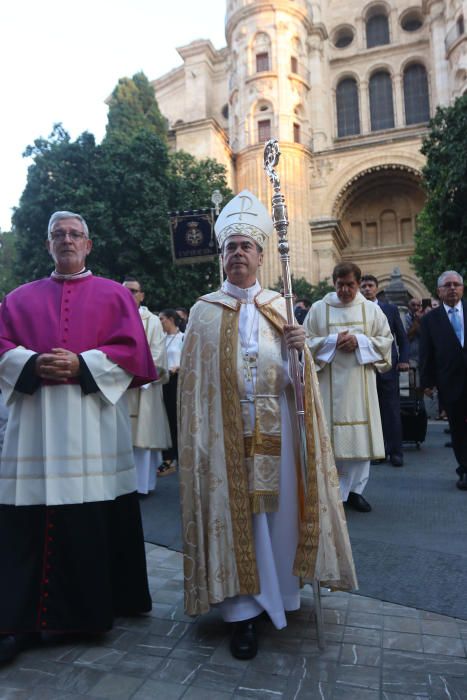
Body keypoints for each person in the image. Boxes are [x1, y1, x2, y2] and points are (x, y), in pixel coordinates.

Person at [178, 190, 357, 660]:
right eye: (230, 247)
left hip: (279, 433)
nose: (237, 254)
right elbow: (194, 390)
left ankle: (282, 595)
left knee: (276, 520)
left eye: (246, 247)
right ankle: (243, 615)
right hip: (225, 439)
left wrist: (298, 347)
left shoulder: (283, 306)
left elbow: (301, 389)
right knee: (240, 521)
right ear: (221, 257)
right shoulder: (203, 312)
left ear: (261, 255)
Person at [0, 211, 156, 664]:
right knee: (28, 520)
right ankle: (20, 620)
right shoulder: (18, 299)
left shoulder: (114, 295)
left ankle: (90, 613)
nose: (66, 241)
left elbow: (132, 352)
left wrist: (83, 364)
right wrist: (29, 363)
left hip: (93, 427)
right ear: (48, 244)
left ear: (89, 244)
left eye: (75, 234)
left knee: (91, 515)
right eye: (58, 235)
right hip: (35, 429)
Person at [304, 263, 393, 512]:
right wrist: (332, 341)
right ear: (334, 283)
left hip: (360, 387)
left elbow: (386, 342)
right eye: (340, 284)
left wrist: (360, 341)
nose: (345, 290)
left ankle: (355, 491)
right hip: (327, 388)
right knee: (329, 442)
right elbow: (305, 343)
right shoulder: (319, 309)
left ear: (358, 283)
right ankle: (333, 492)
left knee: (361, 443)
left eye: (350, 285)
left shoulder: (370, 310)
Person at [123, 278, 171, 495]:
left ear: (142, 295)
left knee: (142, 440)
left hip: (142, 387)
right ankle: (123, 485)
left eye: (133, 291)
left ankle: (142, 486)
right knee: (122, 439)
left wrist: (136, 376)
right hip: (118, 387)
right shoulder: (114, 316)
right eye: (125, 291)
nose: (129, 295)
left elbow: (157, 355)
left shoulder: (151, 320)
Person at [420, 271, 467, 490]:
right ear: (439, 291)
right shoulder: (430, 320)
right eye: (447, 285)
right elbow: (426, 352)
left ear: (462, 288)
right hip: (451, 382)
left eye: (456, 284)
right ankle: (464, 470)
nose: (452, 288)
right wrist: (427, 382)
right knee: (458, 429)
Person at [360, 274, 409, 467]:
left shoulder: (390, 309)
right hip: (365, 367)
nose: (366, 289)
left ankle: (396, 451)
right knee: (372, 411)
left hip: (388, 366)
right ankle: (379, 451)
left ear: (376, 288)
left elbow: (402, 338)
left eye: (370, 285)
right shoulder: (356, 310)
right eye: (363, 286)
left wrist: (404, 360)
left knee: (391, 410)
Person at [158, 309, 184, 476]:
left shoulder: (183, 337)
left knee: (175, 418)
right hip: (164, 379)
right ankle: (167, 456)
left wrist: (178, 367)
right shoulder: (161, 339)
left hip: (177, 380)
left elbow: (188, 358)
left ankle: (177, 455)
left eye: (162, 319)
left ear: (170, 320)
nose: (160, 322)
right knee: (164, 418)